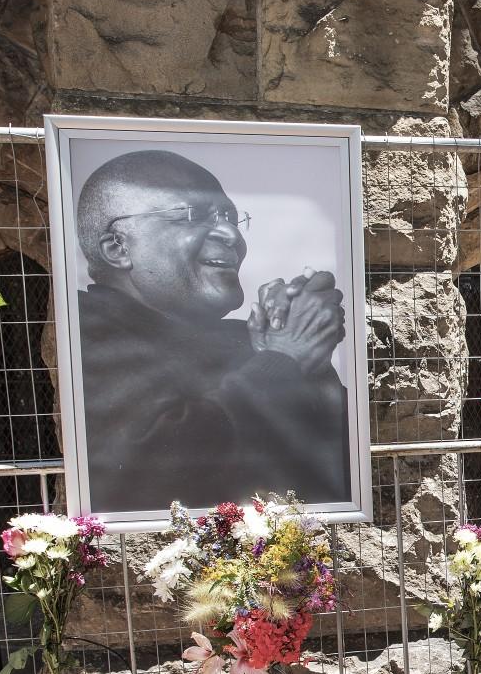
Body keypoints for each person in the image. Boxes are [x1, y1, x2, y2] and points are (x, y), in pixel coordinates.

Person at [73, 149, 351, 514]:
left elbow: (335, 470)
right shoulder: (87, 331)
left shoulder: (243, 339)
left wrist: (309, 355)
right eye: (193, 216)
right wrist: (283, 361)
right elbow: (148, 472)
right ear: (118, 247)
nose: (230, 233)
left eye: (232, 218)